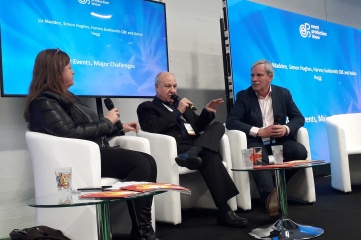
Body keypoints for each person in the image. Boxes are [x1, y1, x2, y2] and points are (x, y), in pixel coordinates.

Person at [23, 49, 158, 240]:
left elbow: (85, 127)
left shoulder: (68, 97)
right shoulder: (44, 102)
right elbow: (70, 133)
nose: (74, 71)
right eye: (69, 67)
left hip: (94, 152)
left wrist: (119, 128)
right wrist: (107, 122)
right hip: (78, 160)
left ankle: (142, 229)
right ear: (55, 72)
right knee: (140, 163)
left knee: (148, 160)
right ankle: (143, 232)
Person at [136, 71, 248, 227]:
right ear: (156, 87)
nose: (173, 90)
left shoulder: (180, 103)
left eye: (175, 86)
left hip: (193, 146)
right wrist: (178, 112)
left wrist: (206, 112)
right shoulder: (147, 107)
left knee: (217, 127)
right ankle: (224, 210)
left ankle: (194, 152)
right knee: (210, 153)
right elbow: (153, 128)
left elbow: (197, 127)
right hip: (175, 147)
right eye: (168, 86)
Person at [226, 59, 307, 217]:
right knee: (256, 158)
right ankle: (270, 202)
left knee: (300, 152)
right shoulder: (244, 95)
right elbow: (231, 121)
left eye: (259, 75)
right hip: (255, 141)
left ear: (270, 77)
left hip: (278, 143)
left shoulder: (283, 93)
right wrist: (259, 131)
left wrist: (285, 129)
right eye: (252, 75)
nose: (254, 79)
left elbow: (299, 118)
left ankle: (276, 189)